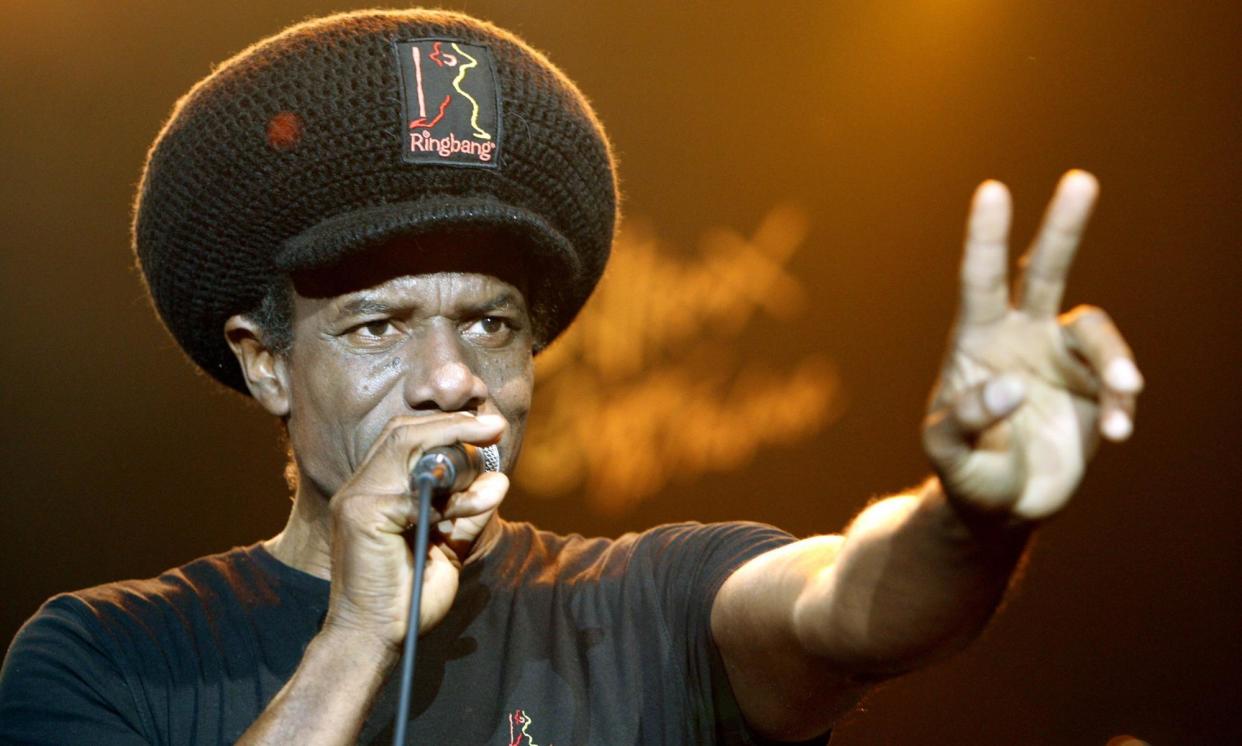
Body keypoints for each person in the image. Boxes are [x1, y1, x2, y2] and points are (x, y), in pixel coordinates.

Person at [0, 9, 1143, 746]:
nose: (454, 377)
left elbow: (847, 604)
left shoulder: (643, 606)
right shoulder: (102, 657)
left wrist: (972, 516)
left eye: (491, 321)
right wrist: (356, 635)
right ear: (265, 365)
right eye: (379, 324)